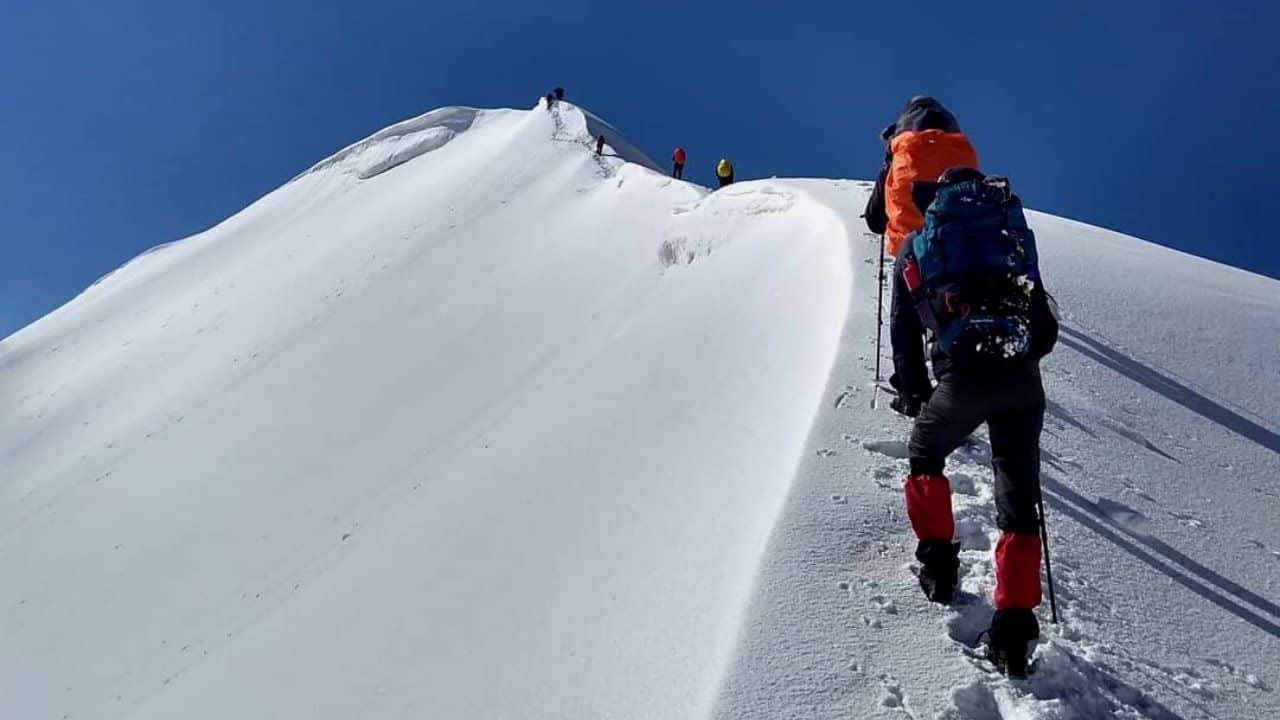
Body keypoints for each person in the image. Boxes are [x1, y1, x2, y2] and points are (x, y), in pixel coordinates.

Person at [889, 167, 1059, 677]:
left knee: (925, 450)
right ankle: (1013, 626)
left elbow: (903, 331)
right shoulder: (1010, 241)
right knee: (1018, 500)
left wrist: (916, 390)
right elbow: (1045, 332)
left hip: (962, 378)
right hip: (1022, 383)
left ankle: (939, 565)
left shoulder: (916, 248)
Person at [864, 96, 978, 257]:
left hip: (913, 254)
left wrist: (890, 154)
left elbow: (875, 220)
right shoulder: (964, 152)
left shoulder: (902, 153)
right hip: (963, 251)